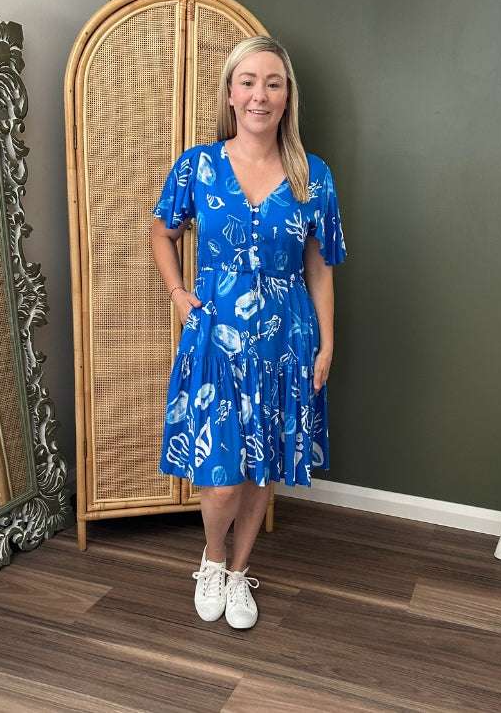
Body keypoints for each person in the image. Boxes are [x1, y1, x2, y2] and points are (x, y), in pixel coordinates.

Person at [151, 35, 346, 630]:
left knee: (263, 468)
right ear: (232, 95)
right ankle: (212, 559)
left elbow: (319, 267)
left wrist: (327, 342)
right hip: (215, 338)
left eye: (273, 83)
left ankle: (238, 572)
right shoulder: (198, 165)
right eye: (248, 81)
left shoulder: (312, 175)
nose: (260, 94)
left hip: (285, 342)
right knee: (222, 482)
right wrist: (179, 295)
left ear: (287, 98)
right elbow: (162, 232)